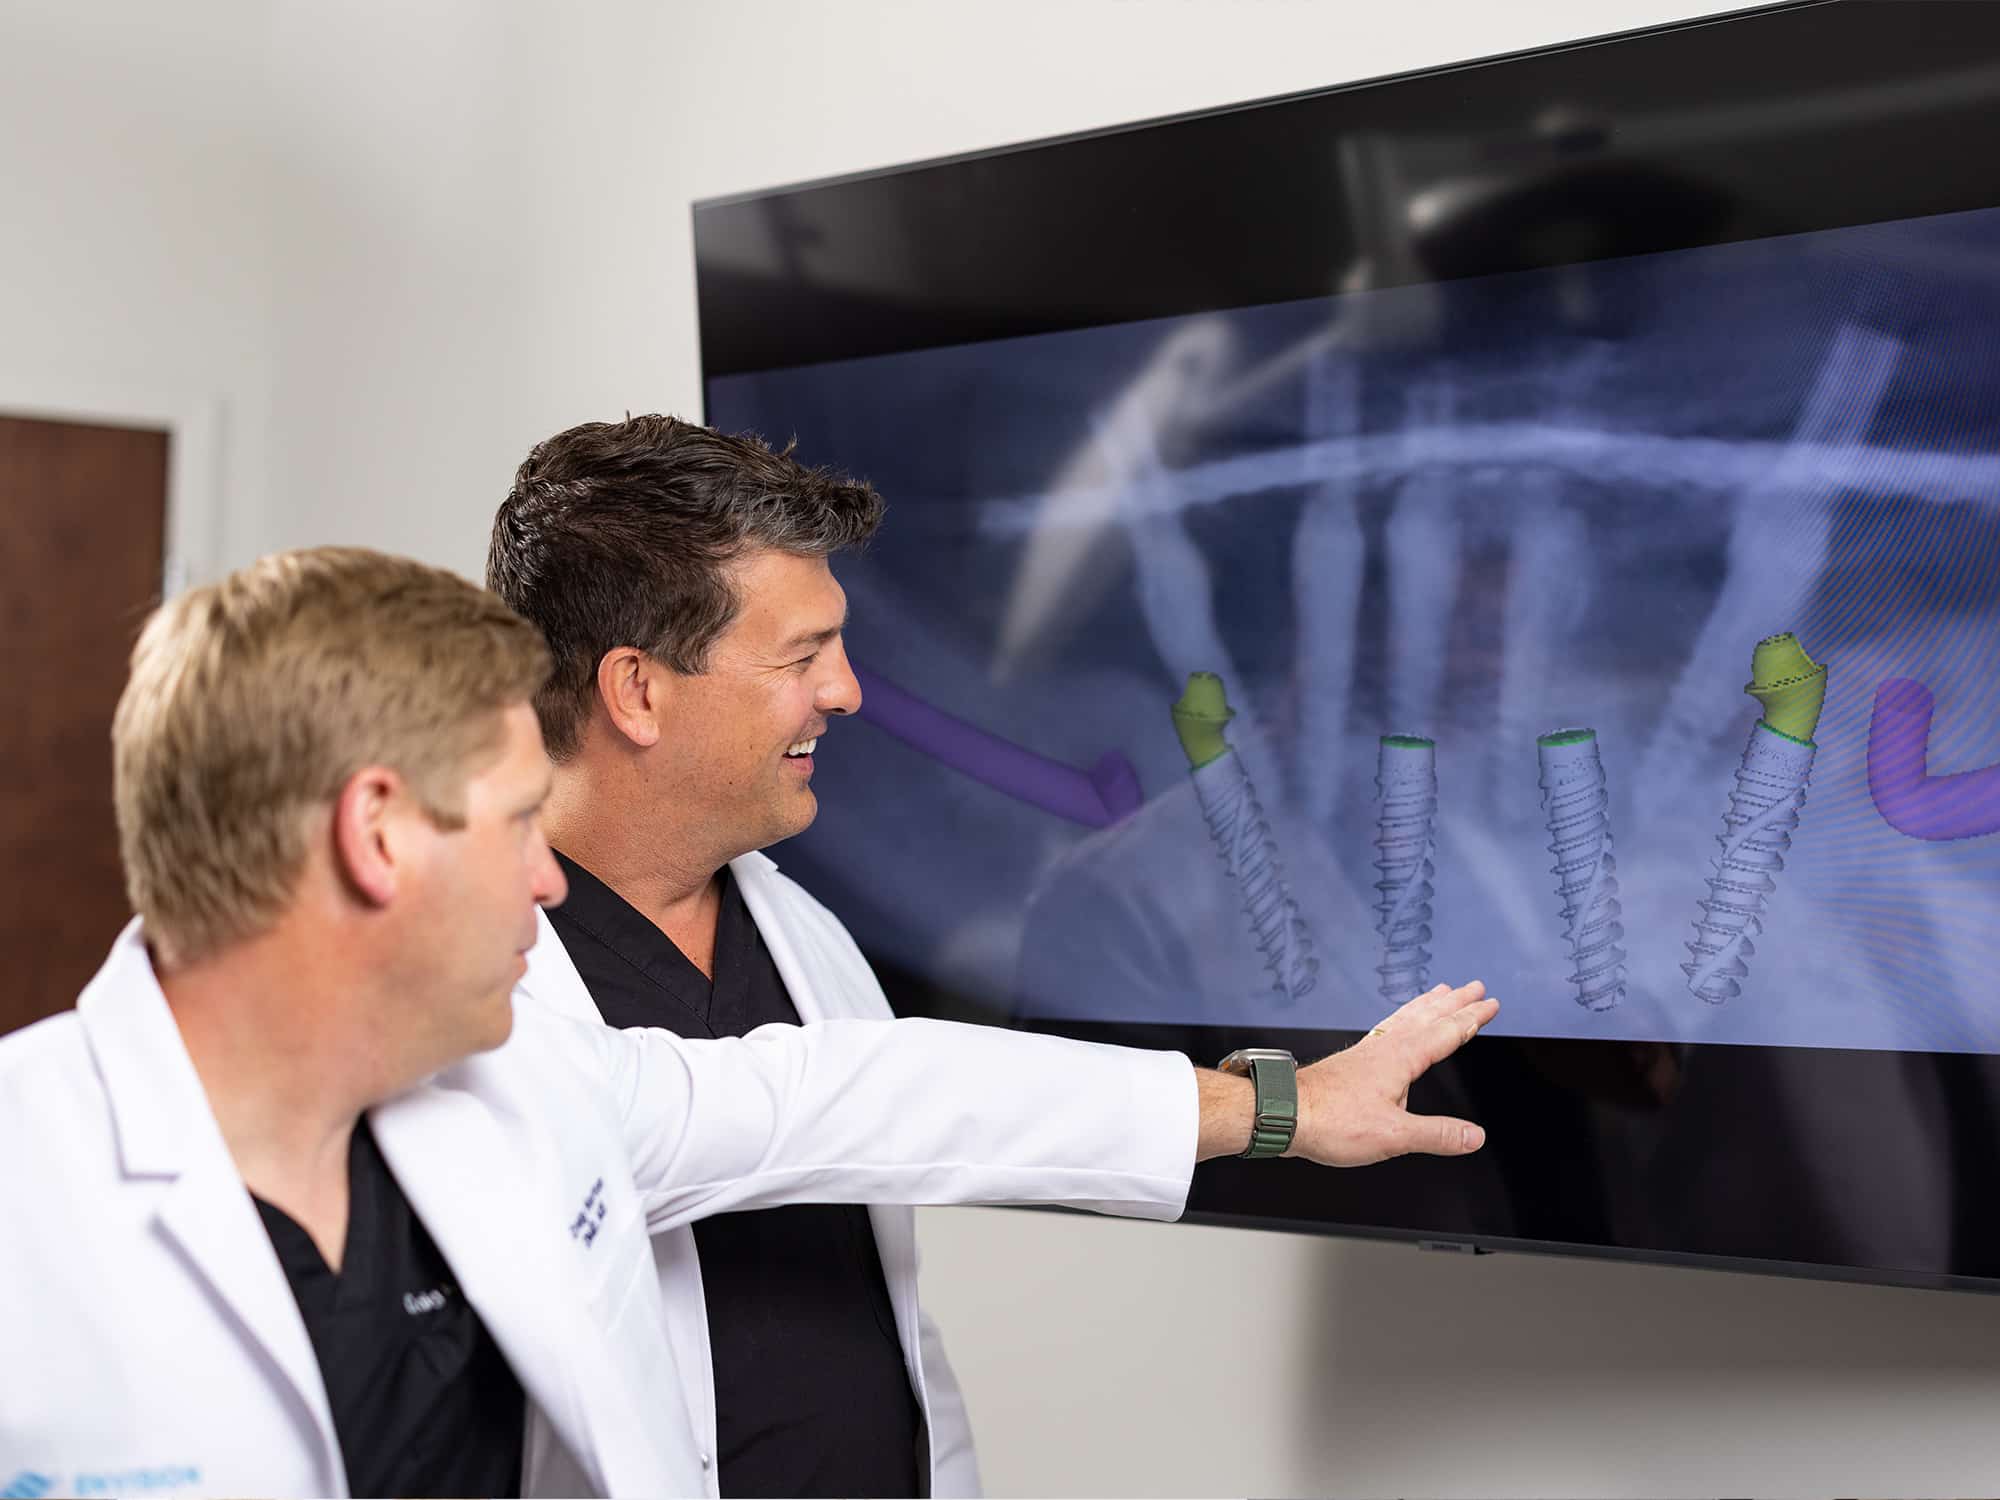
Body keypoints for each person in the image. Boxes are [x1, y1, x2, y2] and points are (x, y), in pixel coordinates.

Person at [0, 545, 1496, 1500]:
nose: (545, 874)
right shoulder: (27, 1195)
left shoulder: (526, 1097)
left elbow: (866, 1095)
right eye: (519, 823)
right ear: (379, 836)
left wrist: (1286, 1107)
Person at [484, 415, 1491, 1498]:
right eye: (801, 655)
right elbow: (867, 1102)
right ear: (636, 690)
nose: (847, 691)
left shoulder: (799, 935)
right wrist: (1274, 1108)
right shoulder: (489, 996)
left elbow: (891, 1334)